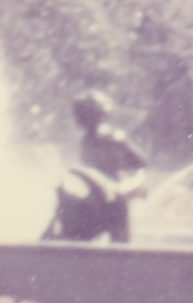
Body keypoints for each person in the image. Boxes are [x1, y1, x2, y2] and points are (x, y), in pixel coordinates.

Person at [44, 91, 150, 243]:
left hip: (112, 194)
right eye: (79, 114)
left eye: (83, 114)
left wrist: (132, 183)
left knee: (118, 229)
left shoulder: (114, 137)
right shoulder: (86, 140)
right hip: (93, 193)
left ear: (98, 114)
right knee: (64, 201)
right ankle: (48, 243)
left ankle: (121, 256)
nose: (79, 119)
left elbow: (140, 162)